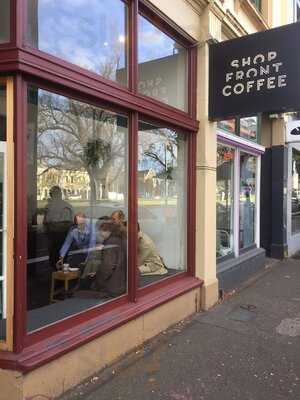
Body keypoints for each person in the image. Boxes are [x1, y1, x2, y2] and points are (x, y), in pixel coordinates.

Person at [86, 218, 127, 298]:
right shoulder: (122, 238)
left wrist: (97, 278)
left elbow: (108, 267)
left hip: (115, 288)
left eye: (100, 231)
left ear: (106, 230)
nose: (99, 233)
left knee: (80, 292)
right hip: (125, 284)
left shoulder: (110, 243)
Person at [43, 186, 74, 270]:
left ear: (59, 194)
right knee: (53, 257)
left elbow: (68, 223)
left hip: (62, 235)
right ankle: (55, 274)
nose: (52, 195)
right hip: (52, 235)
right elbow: (45, 221)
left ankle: (61, 278)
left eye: (53, 193)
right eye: (51, 193)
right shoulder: (48, 206)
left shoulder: (66, 206)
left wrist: (53, 226)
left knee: (61, 257)